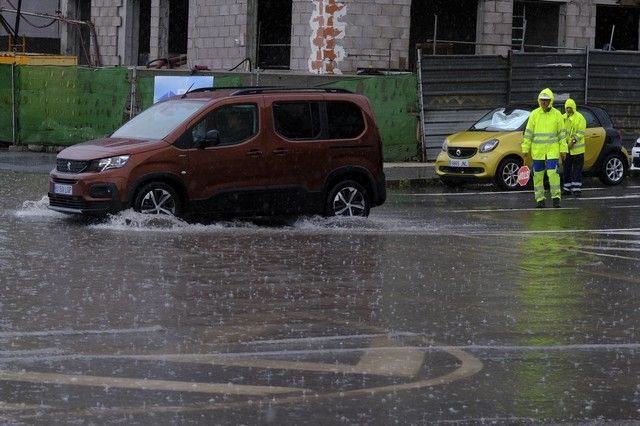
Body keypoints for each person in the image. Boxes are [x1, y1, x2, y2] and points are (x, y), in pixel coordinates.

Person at [521, 88, 568, 208]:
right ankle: (540, 199)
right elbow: (528, 133)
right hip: (538, 152)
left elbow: (562, 135)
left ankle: (556, 197)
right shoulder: (534, 114)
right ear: (539, 100)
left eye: (546, 100)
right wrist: (525, 150)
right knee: (537, 175)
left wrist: (563, 150)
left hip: (552, 150)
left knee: (553, 174)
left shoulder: (557, 114)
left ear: (551, 100)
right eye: (542, 100)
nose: (544, 102)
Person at [561, 98, 587, 197]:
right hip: (566, 150)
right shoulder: (562, 118)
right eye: (566, 108)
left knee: (577, 170)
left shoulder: (580, 118)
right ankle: (566, 189)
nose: (568, 110)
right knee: (566, 170)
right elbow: (560, 132)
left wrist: (573, 142)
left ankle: (577, 189)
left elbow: (580, 132)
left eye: (570, 108)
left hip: (577, 150)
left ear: (573, 108)